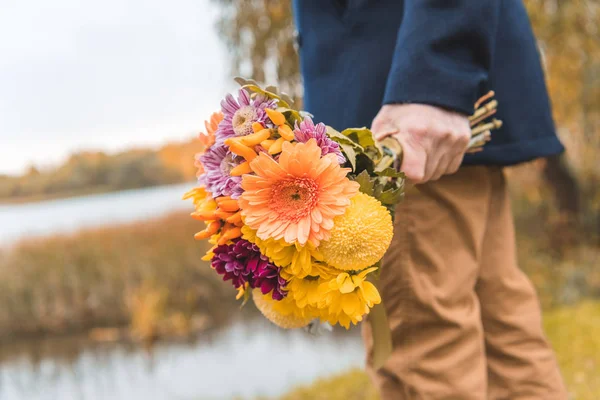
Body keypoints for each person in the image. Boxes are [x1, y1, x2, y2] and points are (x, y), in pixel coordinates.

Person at [292, 0, 568, 399]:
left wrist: (433, 80)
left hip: (401, 118)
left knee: (426, 353)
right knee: (506, 339)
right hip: (426, 92)